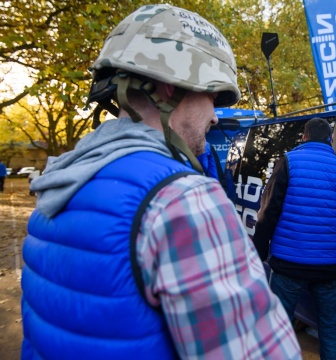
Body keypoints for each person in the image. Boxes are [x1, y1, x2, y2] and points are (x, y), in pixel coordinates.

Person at [21, 5, 300, 359]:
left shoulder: (61, 182)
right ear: (170, 87)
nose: (215, 116)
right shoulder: (184, 200)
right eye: (213, 96)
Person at [253, 117, 336, 360]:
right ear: (328, 140)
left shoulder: (289, 162)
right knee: (331, 332)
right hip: (329, 270)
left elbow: (268, 212)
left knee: (277, 330)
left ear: (304, 136)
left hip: (288, 265)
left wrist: (258, 255)